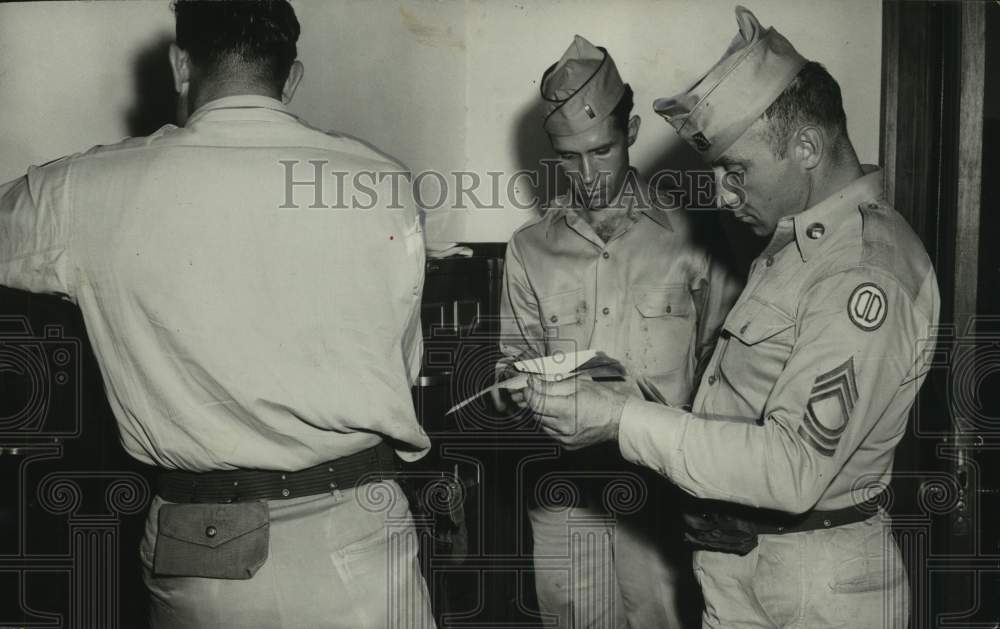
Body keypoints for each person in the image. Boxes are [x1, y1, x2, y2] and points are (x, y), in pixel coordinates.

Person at [0, 1, 436, 627]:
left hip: (203, 552)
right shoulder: (384, 182)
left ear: (181, 65)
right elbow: (402, 363)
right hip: (360, 536)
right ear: (291, 79)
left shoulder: (85, 189)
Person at [522, 7, 939, 629]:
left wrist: (618, 416)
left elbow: (795, 469)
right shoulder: (798, 247)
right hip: (751, 564)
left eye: (736, 171)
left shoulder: (860, 275)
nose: (722, 193)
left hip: (812, 586)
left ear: (805, 146)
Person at [497, 35, 739, 629]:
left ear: (630, 131)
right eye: (569, 157)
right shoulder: (529, 250)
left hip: (664, 495)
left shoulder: (696, 238)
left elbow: (728, 375)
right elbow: (514, 361)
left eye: (601, 150)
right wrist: (510, 389)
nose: (586, 174)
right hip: (565, 501)